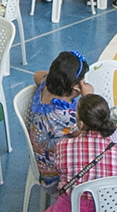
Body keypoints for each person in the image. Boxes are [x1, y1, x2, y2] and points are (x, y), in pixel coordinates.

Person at [28, 51, 88, 193]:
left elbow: (37, 74)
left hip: (44, 164)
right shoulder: (64, 115)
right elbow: (92, 131)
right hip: (57, 178)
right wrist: (88, 96)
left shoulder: (46, 87)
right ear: (76, 87)